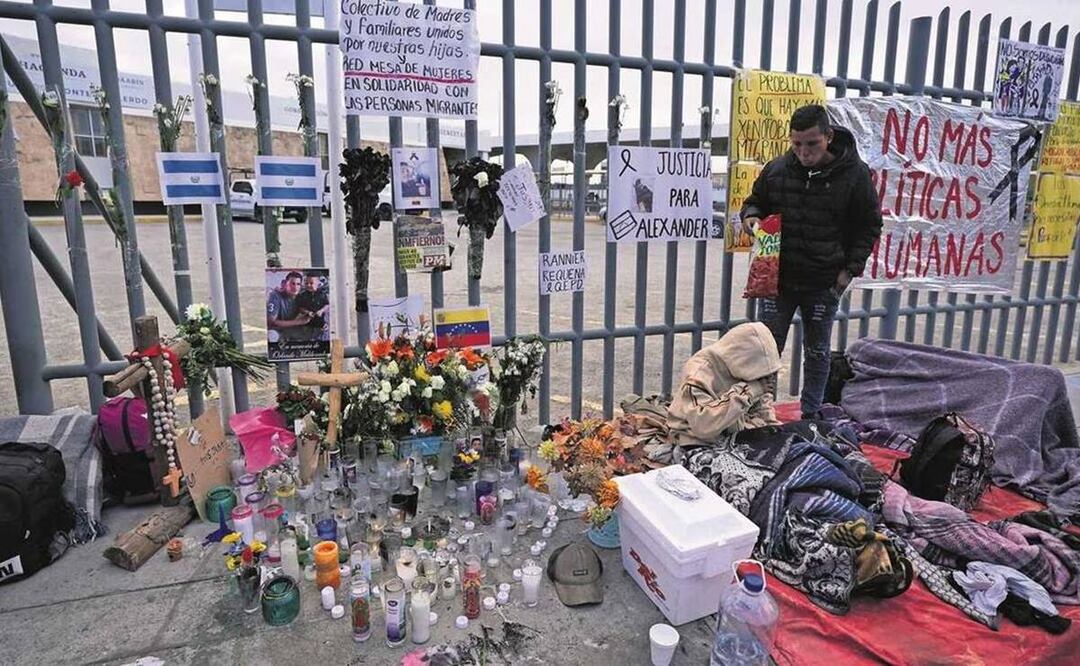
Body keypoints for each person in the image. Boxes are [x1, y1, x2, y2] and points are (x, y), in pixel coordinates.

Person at [741, 104, 883, 419]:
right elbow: (755, 203)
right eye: (797, 144)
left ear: (828, 137)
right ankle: (760, 415)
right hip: (778, 280)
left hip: (824, 282)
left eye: (812, 144)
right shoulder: (777, 170)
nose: (804, 152)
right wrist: (752, 220)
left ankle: (811, 416)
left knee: (817, 353)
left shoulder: (855, 175)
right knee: (766, 352)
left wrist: (848, 272)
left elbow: (869, 225)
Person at [667, 322, 783, 448]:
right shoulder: (700, 373)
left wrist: (774, 430)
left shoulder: (753, 372)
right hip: (698, 441)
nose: (763, 379)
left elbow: (762, 406)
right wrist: (748, 392)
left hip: (739, 433)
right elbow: (703, 427)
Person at [266, 271, 311, 341]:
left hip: (293, 331)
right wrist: (299, 321)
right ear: (284, 283)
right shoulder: (275, 295)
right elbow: (271, 322)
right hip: (277, 331)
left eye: (298, 284)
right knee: (271, 335)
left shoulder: (302, 295)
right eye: (292, 283)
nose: (295, 287)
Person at [294, 272, 329, 341]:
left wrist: (321, 311)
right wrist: (307, 312)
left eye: (311, 283)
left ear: (318, 284)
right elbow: (300, 308)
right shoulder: (302, 295)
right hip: (307, 324)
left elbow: (326, 304)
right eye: (306, 283)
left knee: (320, 340)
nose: (308, 285)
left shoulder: (322, 294)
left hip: (319, 324)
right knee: (307, 340)